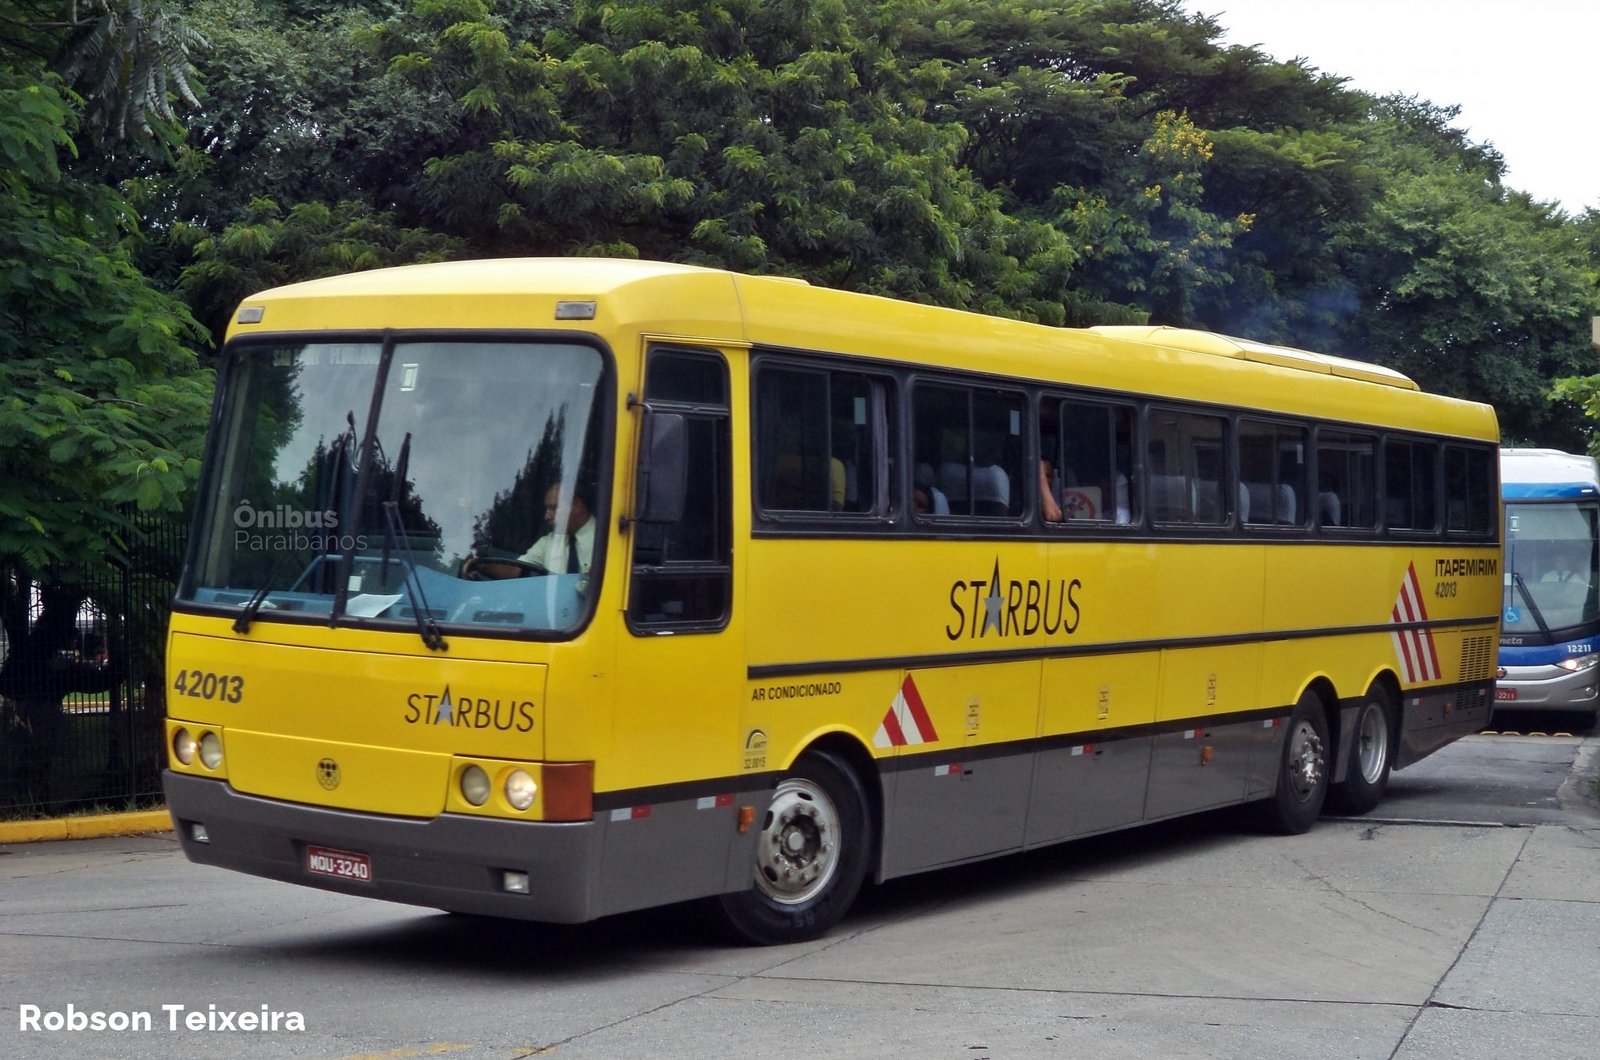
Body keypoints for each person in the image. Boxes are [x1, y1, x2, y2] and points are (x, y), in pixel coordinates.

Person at [520, 484, 595, 575]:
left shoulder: (608, 540)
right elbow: (516, 569)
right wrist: (497, 563)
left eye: (553, 508)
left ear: (576, 506)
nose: (547, 516)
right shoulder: (548, 542)